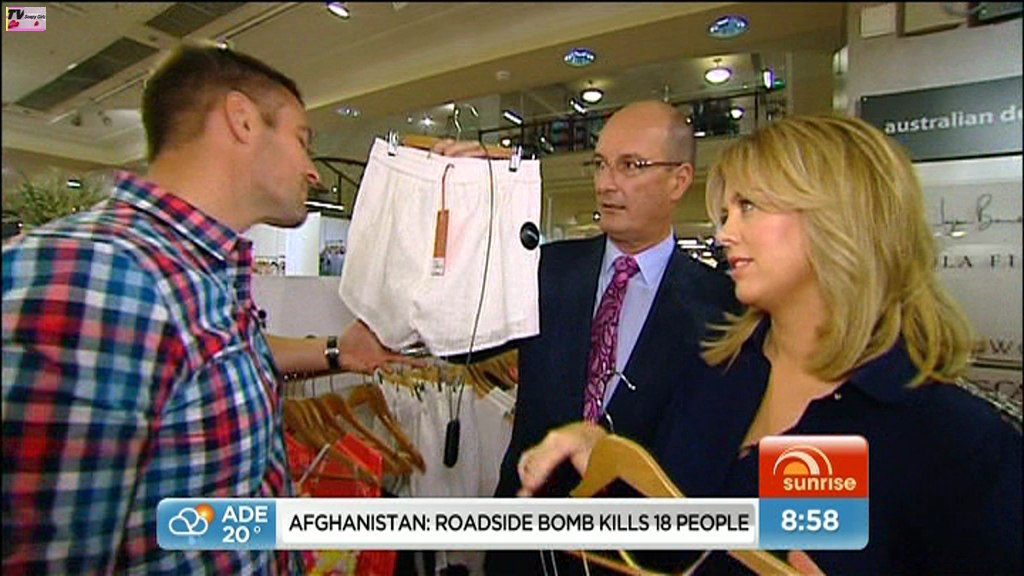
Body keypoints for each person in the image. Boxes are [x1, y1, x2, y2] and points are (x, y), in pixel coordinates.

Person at [516, 114, 1023, 574]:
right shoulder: (715, 372)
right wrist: (607, 457)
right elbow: (678, 536)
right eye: (726, 212)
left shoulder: (950, 437)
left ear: (839, 219)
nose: (725, 233)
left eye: (749, 207)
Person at [1, 43, 411, 574]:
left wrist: (337, 350)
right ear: (242, 120)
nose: (313, 171)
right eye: (301, 140)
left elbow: (204, 357)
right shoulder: (96, 272)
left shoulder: (187, 272)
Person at [485, 101, 740, 575]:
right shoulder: (542, 271)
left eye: (630, 166)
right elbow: (461, 342)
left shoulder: (724, 308)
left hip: (639, 558)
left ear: (679, 180)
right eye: (600, 164)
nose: (606, 183)